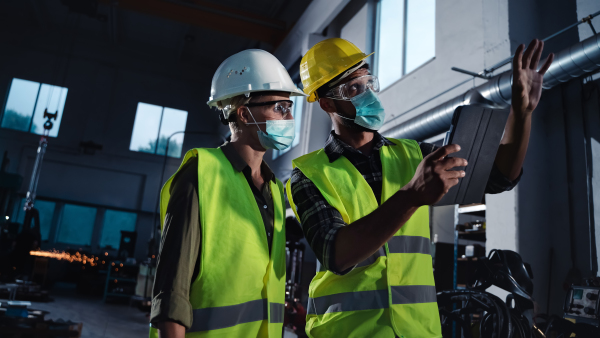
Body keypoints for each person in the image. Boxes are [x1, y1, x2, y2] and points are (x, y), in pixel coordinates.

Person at [287, 38, 553, 337]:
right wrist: (412, 196)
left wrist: (522, 113)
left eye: (368, 82)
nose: (367, 94)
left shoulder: (414, 154)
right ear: (327, 104)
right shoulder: (308, 175)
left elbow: (500, 177)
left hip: (417, 330)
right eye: (353, 88)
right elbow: (336, 253)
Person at [149, 49, 306, 338]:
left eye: (290, 107)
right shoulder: (201, 173)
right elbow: (172, 293)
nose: (289, 117)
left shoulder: (273, 188)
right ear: (245, 114)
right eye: (279, 107)